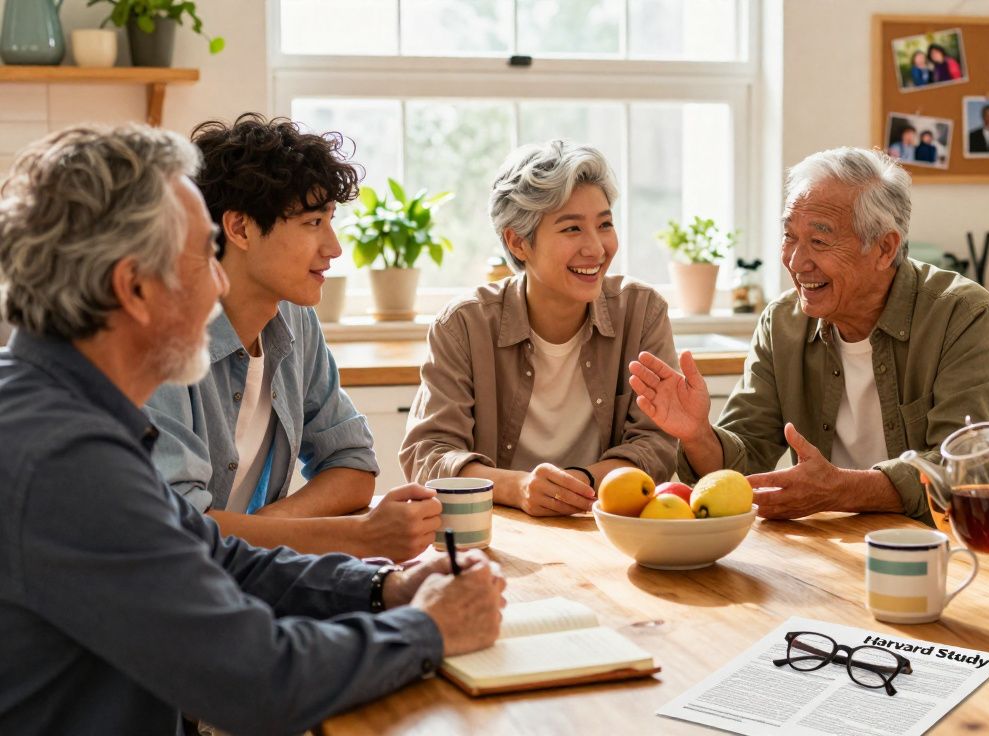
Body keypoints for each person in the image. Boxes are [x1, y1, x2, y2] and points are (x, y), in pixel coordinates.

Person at [0, 123, 506, 733]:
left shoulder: (63, 411)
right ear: (133, 287)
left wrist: (384, 589)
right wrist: (429, 628)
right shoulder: (65, 460)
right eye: (201, 259)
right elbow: (256, 679)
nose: (219, 282)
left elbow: (211, 553)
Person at [628, 147, 989, 568]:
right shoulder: (782, 323)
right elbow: (743, 464)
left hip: (962, 563)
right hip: (842, 561)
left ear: (884, 248)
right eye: (789, 236)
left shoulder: (963, 315)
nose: (796, 261)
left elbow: (965, 473)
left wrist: (840, 490)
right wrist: (697, 434)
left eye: (819, 241)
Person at [144, 114, 443, 562]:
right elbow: (182, 532)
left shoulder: (294, 316)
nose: (334, 248)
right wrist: (357, 536)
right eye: (312, 222)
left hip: (251, 576)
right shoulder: (161, 340)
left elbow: (353, 464)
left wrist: (268, 526)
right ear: (240, 228)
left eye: (330, 220)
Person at [402, 140, 677, 517]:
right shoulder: (463, 325)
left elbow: (657, 444)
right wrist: (518, 487)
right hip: (498, 528)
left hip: (606, 527)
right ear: (518, 242)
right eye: (572, 228)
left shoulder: (642, 312)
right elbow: (429, 454)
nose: (596, 248)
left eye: (604, 224)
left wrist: (580, 482)